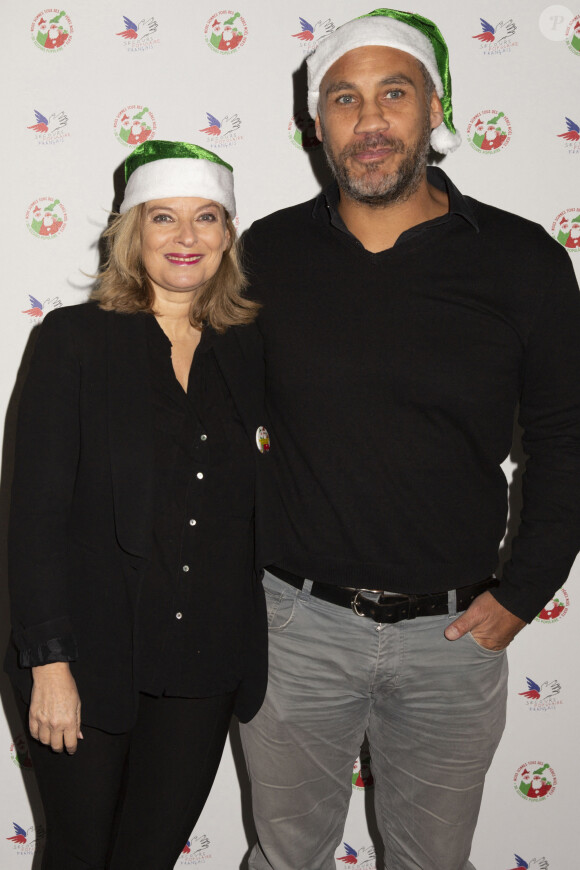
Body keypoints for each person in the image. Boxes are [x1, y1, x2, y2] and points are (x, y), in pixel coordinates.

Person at [239, 9, 580, 870]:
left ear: (435, 108)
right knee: (286, 860)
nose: (371, 120)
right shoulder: (267, 252)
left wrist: (524, 591)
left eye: (395, 93)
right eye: (345, 100)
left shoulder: (522, 259)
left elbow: (567, 435)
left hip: (456, 637)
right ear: (318, 127)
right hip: (293, 626)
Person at [5, 140, 278, 869]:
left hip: (205, 663)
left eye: (207, 218)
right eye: (164, 218)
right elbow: (31, 518)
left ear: (229, 234)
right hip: (88, 660)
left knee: (148, 858)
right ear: (132, 232)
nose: (186, 238)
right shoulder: (75, 340)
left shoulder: (251, 348)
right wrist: (49, 664)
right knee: (77, 855)